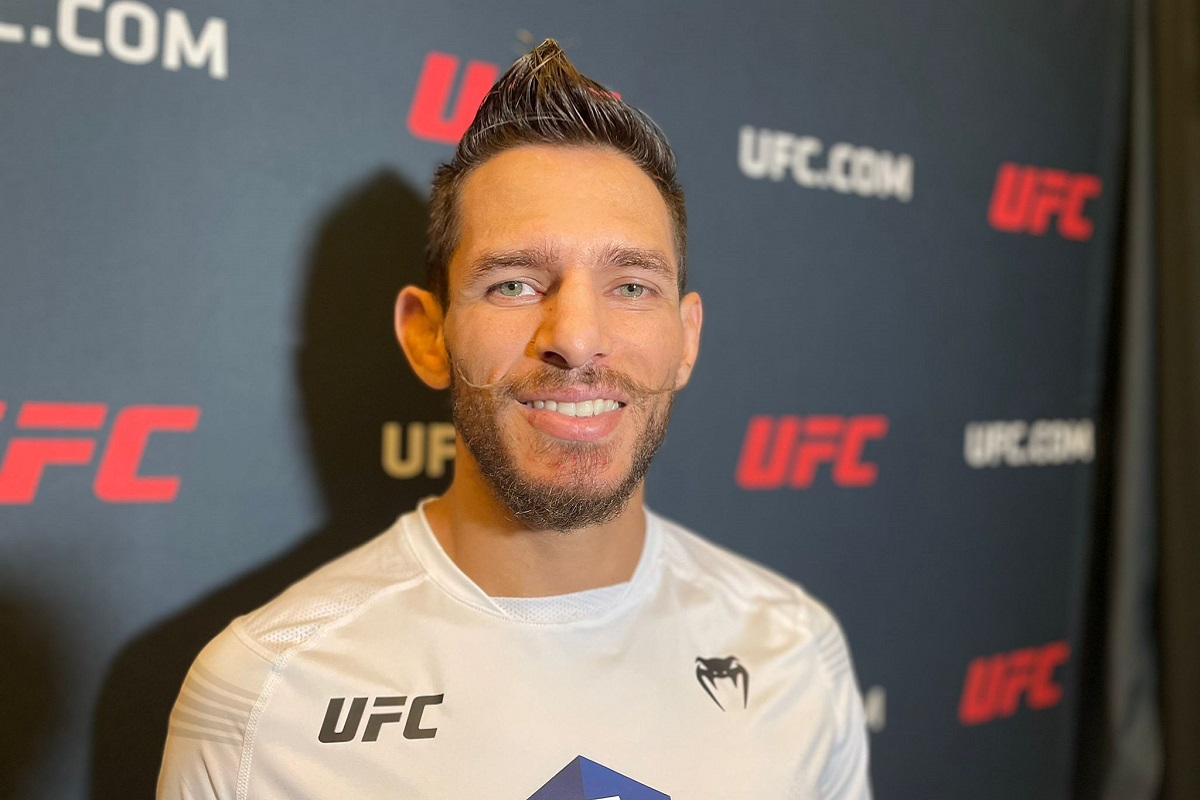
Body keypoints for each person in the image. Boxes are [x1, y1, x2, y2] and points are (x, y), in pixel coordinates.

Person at [158, 39, 871, 799]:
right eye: (515, 285)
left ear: (686, 339)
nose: (577, 338)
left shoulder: (797, 655)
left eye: (631, 286)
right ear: (428, 337)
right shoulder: (263, 701)